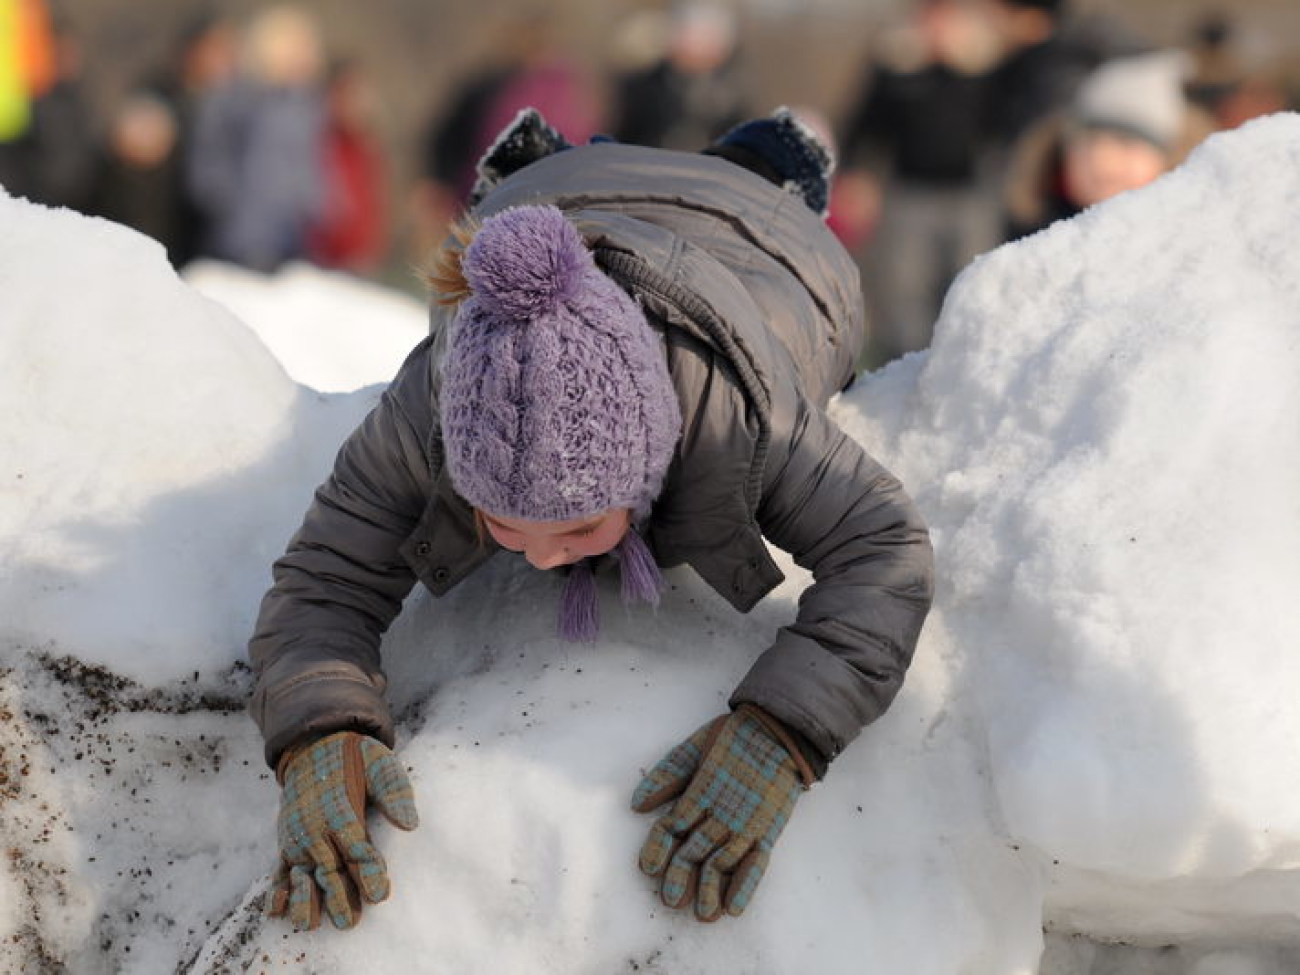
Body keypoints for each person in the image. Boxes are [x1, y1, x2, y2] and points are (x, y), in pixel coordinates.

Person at [248, 108, 935, 931]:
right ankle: (550, 170)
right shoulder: (435, 404)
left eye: (576, 530)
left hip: (764, 240)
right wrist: (316, 725)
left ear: (651, 473)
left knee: (759, 188)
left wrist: (784, 730)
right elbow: (328, 573)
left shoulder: (737, 415)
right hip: (549, 207)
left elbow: (886, 549)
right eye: (502, 524)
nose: (542, 560)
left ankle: (767, 163)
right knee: (504, 240)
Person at [838, 0, 1003, 365]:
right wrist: (854, 174)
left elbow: (1007, 126)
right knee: (905, 289)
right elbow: (861, 125)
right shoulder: (896, 65)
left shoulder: (988, 67)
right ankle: (907, 363)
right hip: (908, 194)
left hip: (970, 194)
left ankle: (967, 361)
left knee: (970, 281)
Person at [1002, 50, 1213, 240]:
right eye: (1088, 142)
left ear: (1169, 160)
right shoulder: (1030, 241)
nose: (1101, 158)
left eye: (1125, 143)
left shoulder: (1190, 249)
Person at [186, 4, 327, 272]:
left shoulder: (307, 106)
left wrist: (318, 210)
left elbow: (311, 168)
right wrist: (223, 206)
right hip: (237, 241)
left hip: (293, 239)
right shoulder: (235, 98)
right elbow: (209, 161)